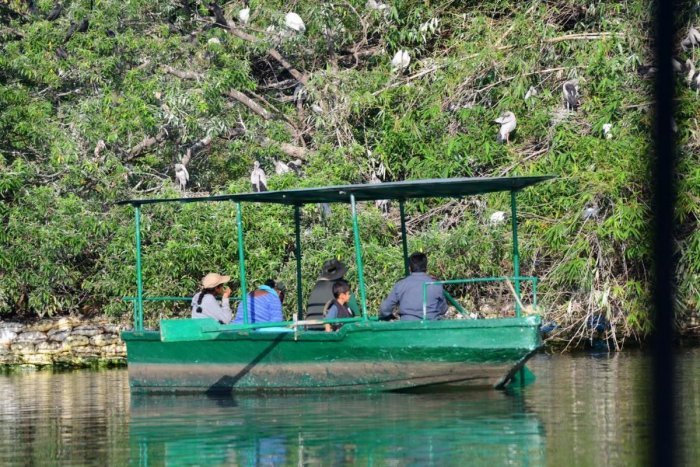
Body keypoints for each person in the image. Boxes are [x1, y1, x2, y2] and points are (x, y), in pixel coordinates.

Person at [379, 252, 447, 321]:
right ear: (426, 267)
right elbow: (443, 309)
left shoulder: (401, 284)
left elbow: (384, 309)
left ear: (409, 268)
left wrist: (390, 316)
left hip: (408, 328)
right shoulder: (435, 284)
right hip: (431, 328)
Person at [305, 259, 359, 329]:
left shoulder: (316, 287)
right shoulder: (342, 289)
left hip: (310, 328)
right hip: (332, 332)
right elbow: (357, 317)